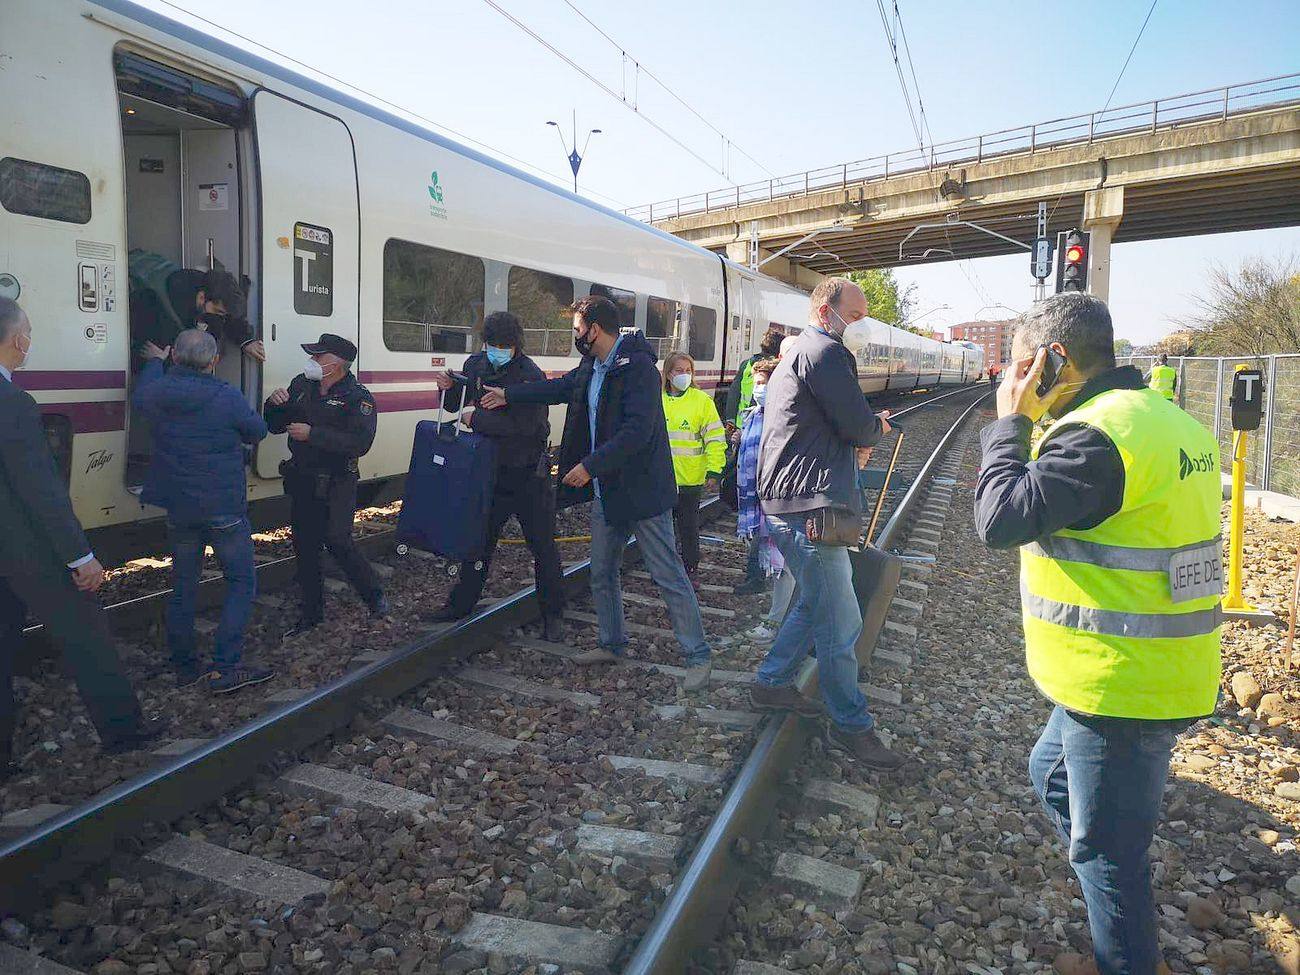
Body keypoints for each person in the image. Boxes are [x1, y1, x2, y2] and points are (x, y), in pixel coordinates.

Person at [974, 293, 1222, 975]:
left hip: (1122, 685)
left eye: (1025, 367)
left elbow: (998, 519)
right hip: (1156, 667)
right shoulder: (1172, 424)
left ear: (1055, 360)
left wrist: (1009, 425)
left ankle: (1128, 956)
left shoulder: (1096, 436)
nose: (1017, 381)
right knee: (1048, 772)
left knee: (1109, 853)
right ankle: (1108, 884)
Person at [479, 295, 712, 691]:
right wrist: (509, 395)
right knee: (602, 573)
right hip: (609, 492)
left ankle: (698, 655)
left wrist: (589, 466)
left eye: (577, 329)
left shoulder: (636, 367)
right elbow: (563, 388)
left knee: (667, 573)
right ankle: (612, 643)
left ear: (595, 330)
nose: (576, 336)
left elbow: (636, 432)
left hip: (643, 493)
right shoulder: (594, 364)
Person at [0, 298, 160, 776]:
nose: (30, 339)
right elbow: (41, 492)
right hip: (27, 550)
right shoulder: (14, 404)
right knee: (86, 635)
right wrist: (80, 556)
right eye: (28, 331)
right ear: (18, 340)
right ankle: (124, 732)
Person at [753, 278, 903, 769]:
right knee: (842, 622)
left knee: (813, 601)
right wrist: (876, 428)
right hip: (809, 506)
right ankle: (851, 726)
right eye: (854, 316)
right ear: (826, 310)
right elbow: (858, 424)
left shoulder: (798, 355)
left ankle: (772, 682)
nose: (858, 326)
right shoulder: (825, 353)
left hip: (790, 501)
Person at [134, 329, 273, 693]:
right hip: (223, 506)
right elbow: (257, 431)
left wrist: (153, 362)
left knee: (183, 584)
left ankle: (184, 664)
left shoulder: (157, 390)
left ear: (175, 358)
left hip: (180, 507)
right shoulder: (225, 394)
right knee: (241, 582)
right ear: (213, 362)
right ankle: (226, 666)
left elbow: (142, 397)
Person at [427, 312, 565, 640]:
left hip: (529, 474)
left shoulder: (530, 375)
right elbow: (457, 404)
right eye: (491, 345)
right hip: (489, 473)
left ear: (516, 346)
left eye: (504, 346)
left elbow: (529, 428)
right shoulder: (477, 365)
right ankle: (460, 604)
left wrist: (478, 421)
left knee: (542, 546)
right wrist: (447, 390)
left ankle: (554, 614)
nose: (497, 351)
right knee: (479, 542)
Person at [265, 333, 387, 639]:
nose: (313, 362)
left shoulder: (358, 398)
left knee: (338, 540)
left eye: (319, 357)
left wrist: (314, 434)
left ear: (337, 364)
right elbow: (277, 425)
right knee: (305, 547)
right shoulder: (301, 385)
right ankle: (311, 613)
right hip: (303, 477)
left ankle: (374, 596)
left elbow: (360, 443)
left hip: (337, 480)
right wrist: (274, 406)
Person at [732, 358, 796, 644]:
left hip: (779, 502)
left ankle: (777, 622)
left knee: (784, 565)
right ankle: (781, 618)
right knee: (779, 563)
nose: (760, 390)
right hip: (761, 503)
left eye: (765, 384)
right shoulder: (753, 416)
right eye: (757, 384)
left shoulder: (784, 417)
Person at [128, 249, 265, 363]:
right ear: (201, 298)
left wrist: (246, 340)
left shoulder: (208, 286)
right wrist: (160, 359)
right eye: (218, 312)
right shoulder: (160, 305)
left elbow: (228, 316)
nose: (220, 317)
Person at [662, 352, 727, 586]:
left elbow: (715, 439)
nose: (684, 375)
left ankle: (691, 569)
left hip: (690, 480)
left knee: (688, 528)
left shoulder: (702, 401)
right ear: (668, 374)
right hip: (662, 480)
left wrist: (714, 470)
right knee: (662, 530)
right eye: (679, 370)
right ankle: (665, 570)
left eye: (688, 371)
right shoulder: (656, 400)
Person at [724, 326, 784, 434]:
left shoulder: (746, 364)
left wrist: (730, 419)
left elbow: (734, 392)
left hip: (741, 424)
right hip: (762, 425)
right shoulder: (776, 368)